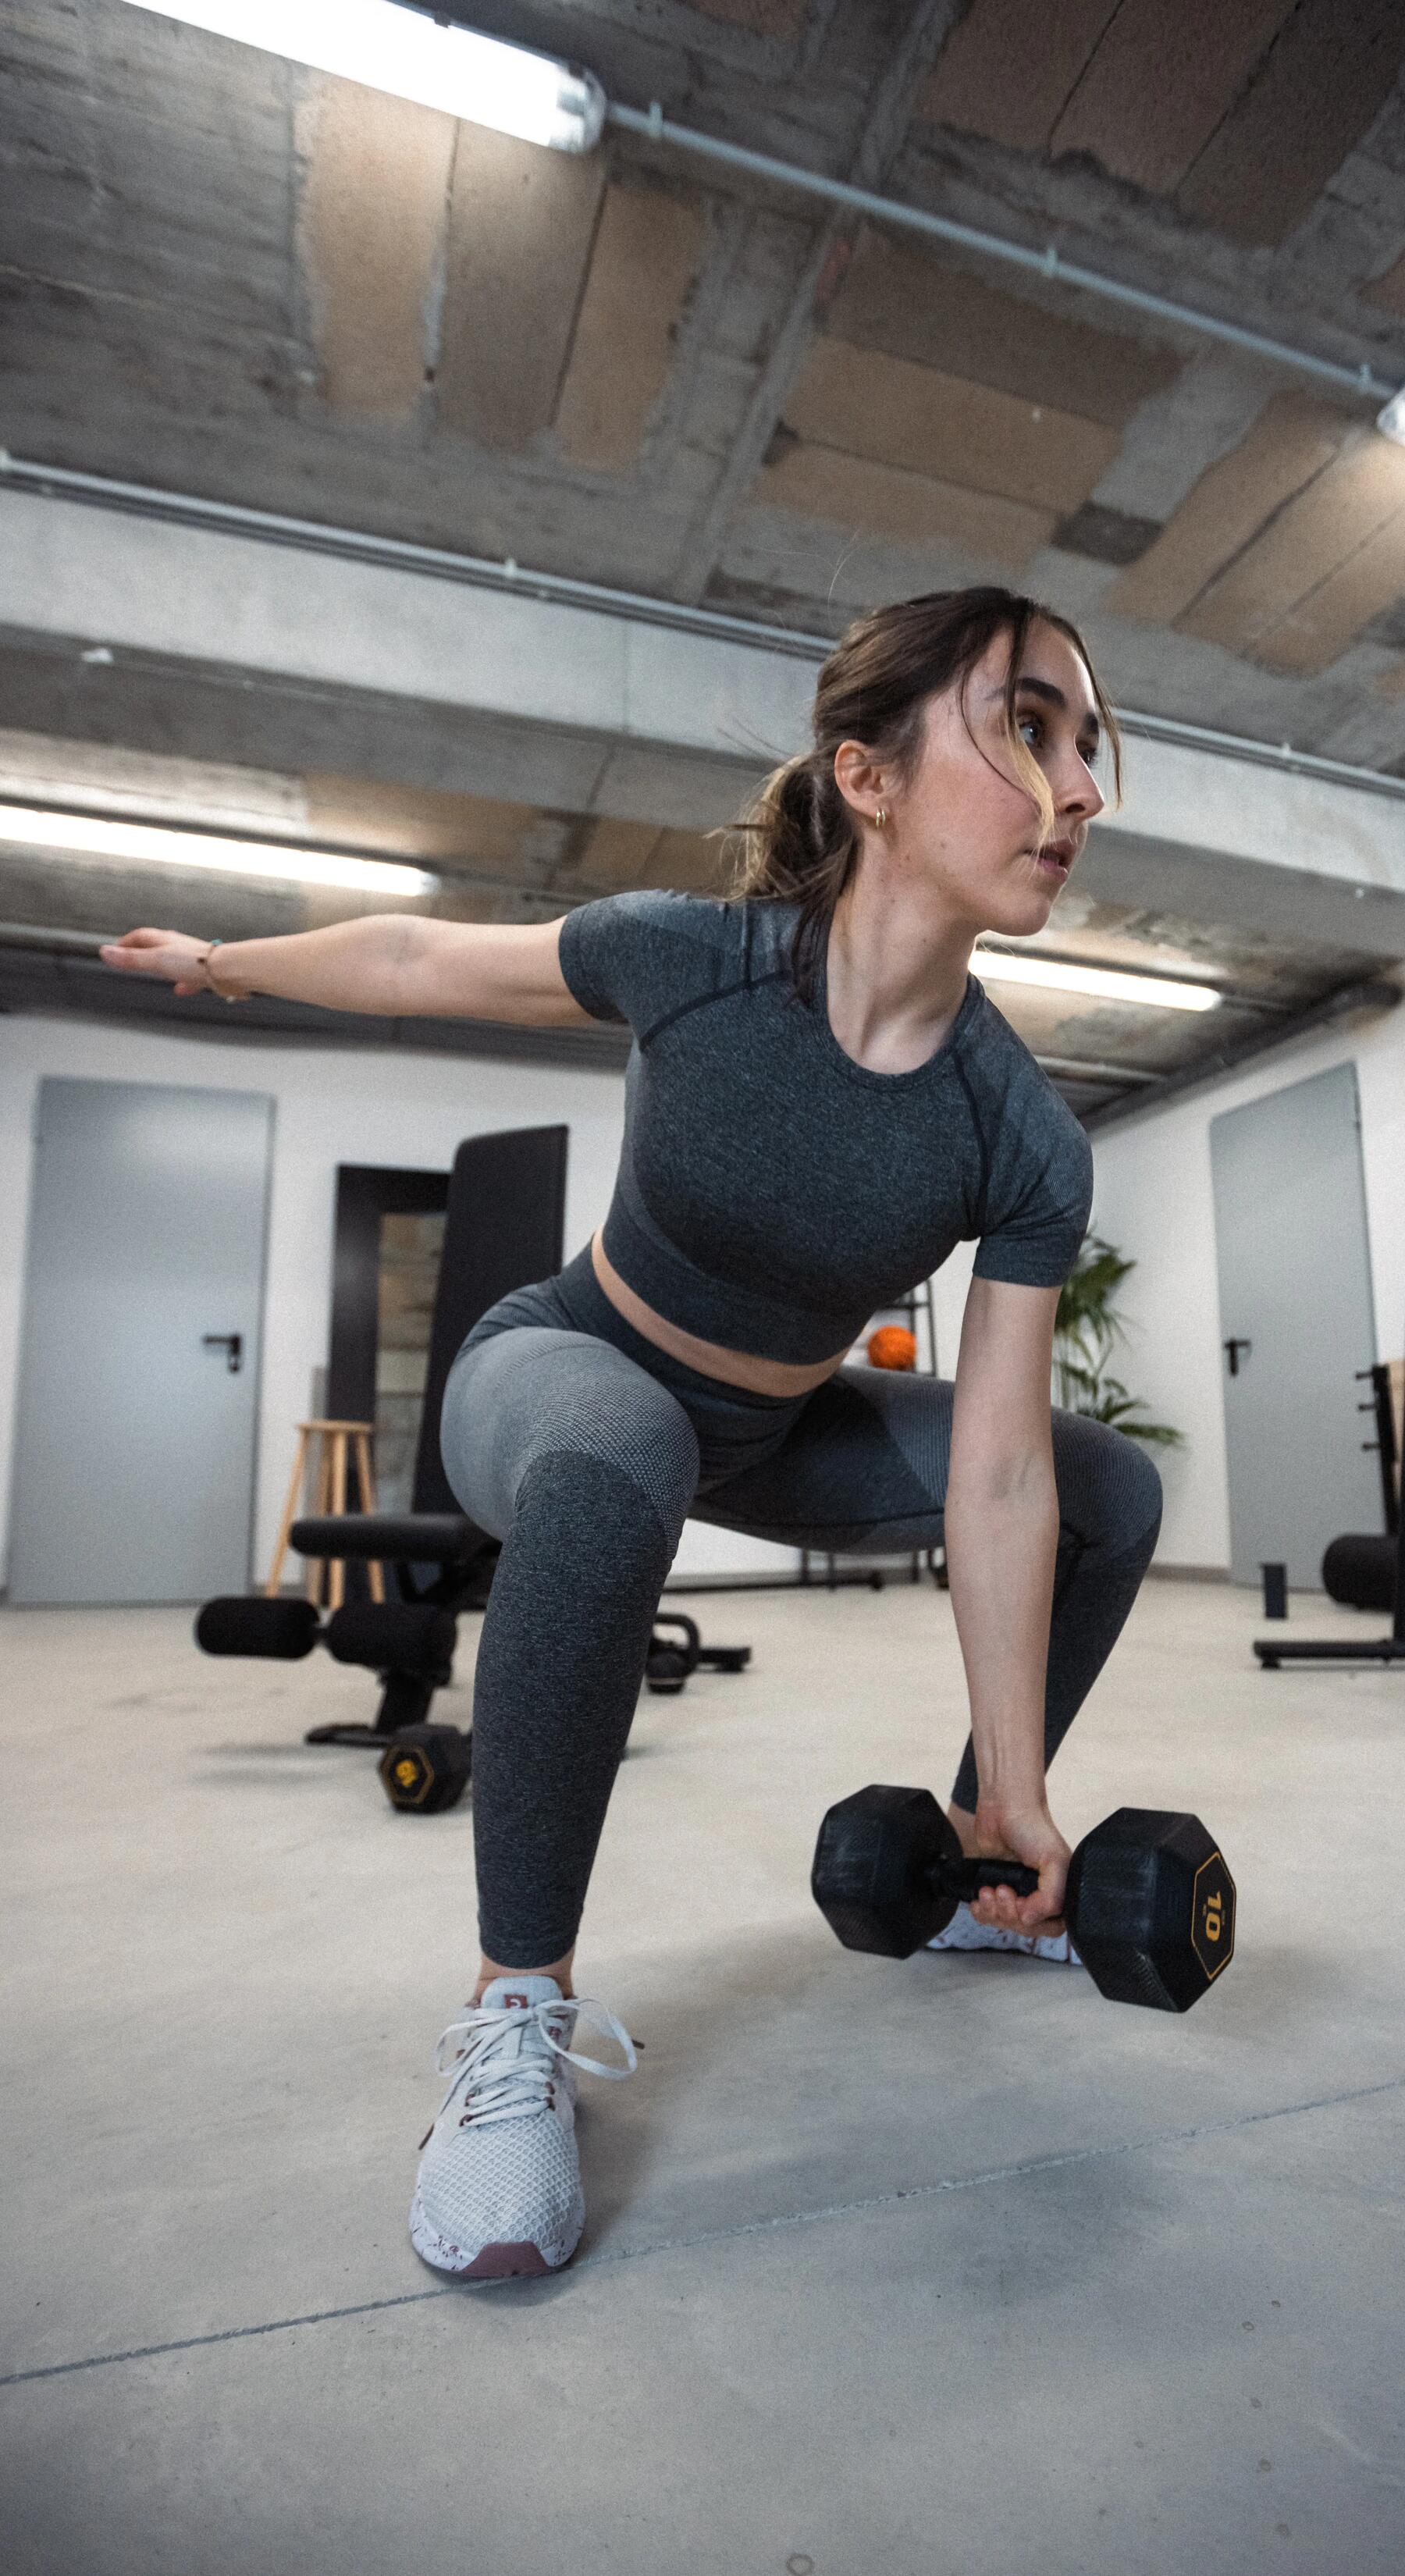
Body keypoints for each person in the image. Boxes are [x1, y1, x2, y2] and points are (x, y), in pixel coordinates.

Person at [102, 585, 1163, 2283]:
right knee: (619, 1463)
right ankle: (514, 2004)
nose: (1080, 786)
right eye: (1026, 725)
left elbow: (1007, 1464)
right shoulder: (703, 960)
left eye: (1091, 744)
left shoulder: (1019, 1132)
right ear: (868, 777)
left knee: (1111, 1485)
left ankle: (976, 1875)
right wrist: (217, 959)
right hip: (567, 1369)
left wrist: (1022, 1793)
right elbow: (412, 957)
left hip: (782, 1424)